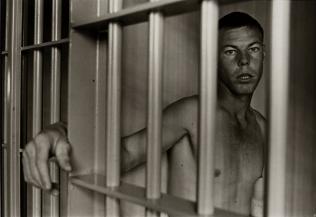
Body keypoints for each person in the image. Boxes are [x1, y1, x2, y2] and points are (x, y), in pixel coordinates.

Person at [22, 12, 266, 217]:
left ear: (263, 53)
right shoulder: (194, 112)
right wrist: (63, 132)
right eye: (231, 52)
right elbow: (126, 153)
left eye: (253, 49)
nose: (244, 61)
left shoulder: (262, 127)